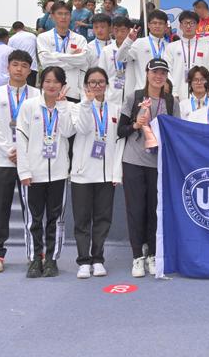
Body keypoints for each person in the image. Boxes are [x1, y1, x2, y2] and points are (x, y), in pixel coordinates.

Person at [117, 59, 179, 277]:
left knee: (154, 209)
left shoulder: (171, 101)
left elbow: (177, 133)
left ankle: (152, 253)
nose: (159, 76)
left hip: (158, 163)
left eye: (163, 73)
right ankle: (137, 256)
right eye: (155, 72)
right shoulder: (134, 97)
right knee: (135, 209)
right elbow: (120, 130)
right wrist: (136, 124)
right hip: (133, 160)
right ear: (147, 73)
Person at [16, 66, 75, 278]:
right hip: (33, 174)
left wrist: (62, 105)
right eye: (47, 81)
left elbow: (68, 131)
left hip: (59, 173)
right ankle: (34, 258)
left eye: (56, 82)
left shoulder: (68, 107)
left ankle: (51, 259)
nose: (51, 85)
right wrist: (24, 171)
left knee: (55, 219)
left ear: (62, 85)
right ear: (41, 83)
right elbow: (21, 140)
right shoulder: (29, 106)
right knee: (34, 219)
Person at [0, 50, 38, 273]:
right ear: (8, 67)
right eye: (15, 64)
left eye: (24, 66)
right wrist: (10, 150)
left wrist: (24, 153)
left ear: (29, 70)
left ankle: (36, 252)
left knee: (33, 210)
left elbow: (39, 128)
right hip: (2, 161)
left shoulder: (37, 95)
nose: (19, 69)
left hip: (30, 162)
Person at [71, 67, 120, 279]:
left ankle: (98, 258)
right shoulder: (77, 108)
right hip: (82, 173)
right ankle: (83, 261)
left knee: (103, 218)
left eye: (101, 82)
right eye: (92, 82)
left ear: (106, 85)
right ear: (86, 85)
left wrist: (116, 173)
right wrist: (86, 103)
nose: (97, 86)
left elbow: (118, 143)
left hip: (106, 174)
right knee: (82, 220)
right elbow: (82, 129)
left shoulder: (115, 109)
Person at [36, 1, 89, 102]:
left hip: (73, 91)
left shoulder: (80, 39)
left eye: (66, 14)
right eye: (60, 13)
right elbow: (46, 62)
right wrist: (72, 57)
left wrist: (55, 56)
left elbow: (82, 60)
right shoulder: (43, 37)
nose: (63, 17)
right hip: (51, 91)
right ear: (52, 16)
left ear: (70, 16)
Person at [164, 10, 209, 101]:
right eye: (185, 23)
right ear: (180, 26)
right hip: (177, 95)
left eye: (192, 23)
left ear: (197, 25)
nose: (188, 26)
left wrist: (207, 90)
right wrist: (174, 92)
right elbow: (167, 71)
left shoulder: (206, 48)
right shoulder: (171, 47)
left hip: (201, 96)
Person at [116, 10, 169, 91]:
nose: (157, 26)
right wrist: (128, 41)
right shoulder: (139, 43)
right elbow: (120, 58)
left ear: (166, 26)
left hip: (164, 92)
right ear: (148, 25)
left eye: (160, 23)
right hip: (142, 92)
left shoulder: (169, 46)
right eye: (154, 23)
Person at [100, 16, 136, 109]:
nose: (119, 34)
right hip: (111, 93)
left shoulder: (135, 48)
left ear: (129, 30)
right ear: (112, 30)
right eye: (116, 30)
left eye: (123, 31)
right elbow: (102, 74)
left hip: (131, 91)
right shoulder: (106, 50)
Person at [8, 21, 38, 86]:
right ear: (23, 27)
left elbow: (10, 54)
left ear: (14, 29)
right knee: (31, 88)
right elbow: (37, 49)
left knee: (18, 87)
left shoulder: (11, 39)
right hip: (32, 66)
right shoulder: (32, 36)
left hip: (18, 68)